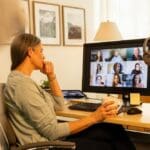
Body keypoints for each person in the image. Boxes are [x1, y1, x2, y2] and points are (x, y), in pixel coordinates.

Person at [4, 33, 135, 150]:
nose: (43, 56)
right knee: (107, 145)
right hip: (48, 145)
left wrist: (51, 76)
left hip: (54, 139)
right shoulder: (21, 86)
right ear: (30, 52)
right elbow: (52, 132)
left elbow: (59, 104)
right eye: (41, 51)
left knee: (112, 129)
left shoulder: (24, 81)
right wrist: (94, 117)